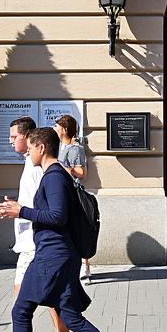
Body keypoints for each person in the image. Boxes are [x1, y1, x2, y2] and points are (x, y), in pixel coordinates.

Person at [0, 128, 133, 332]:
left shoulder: (54, 176)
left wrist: (22, 211)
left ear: (41, 147)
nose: (27, 152)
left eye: (30, 148)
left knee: (21, 311)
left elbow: (57, 216)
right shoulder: (56, 175)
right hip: (61, 255)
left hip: (52, 256)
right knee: (71, 317)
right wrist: (20, 208)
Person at [0, 117, 77, 332]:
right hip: (32, 240)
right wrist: (12, 208)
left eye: (14, 137)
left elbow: (46, 207)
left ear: (29, 137)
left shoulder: (39, 166)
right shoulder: (30, 163)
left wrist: (18, 210)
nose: (11, 141)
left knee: (22, 300)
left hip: (36, 243)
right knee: (52, 297)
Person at [54, 114, 92, 284]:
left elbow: (82, 173)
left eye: (57, 126)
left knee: (77, 231)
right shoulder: (58, 147)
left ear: (64, 129)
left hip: (72, 194)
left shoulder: (75, 148)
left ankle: (85, 266)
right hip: (61, 191)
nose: (55, 129)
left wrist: (65, 169)